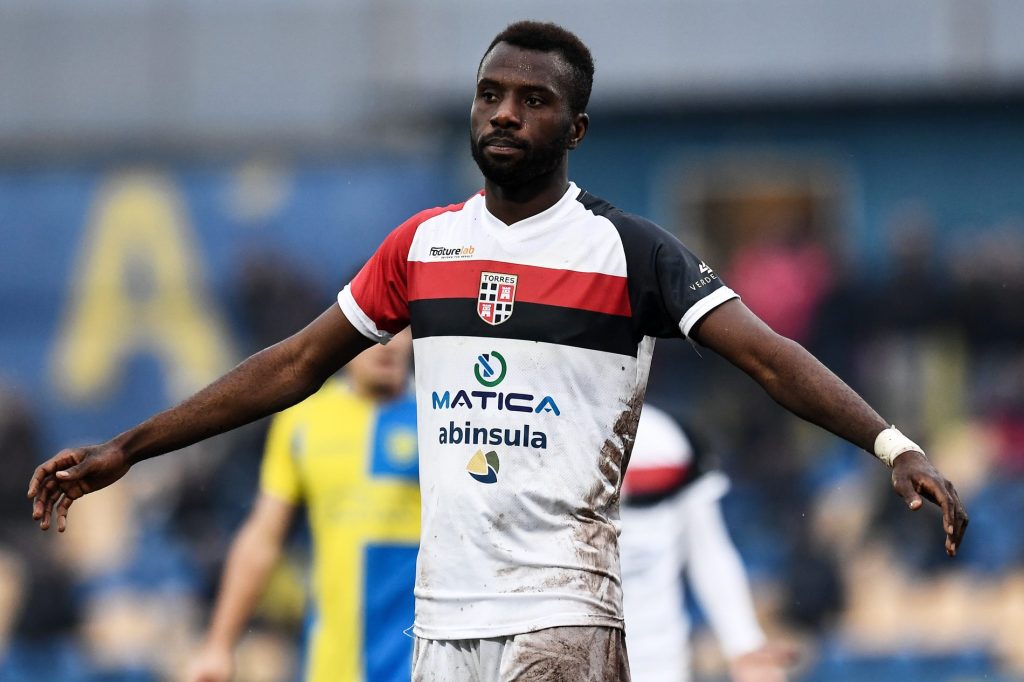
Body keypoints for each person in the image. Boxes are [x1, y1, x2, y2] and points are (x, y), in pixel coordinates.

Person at [29, 20, 968, 682]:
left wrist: (892, 444)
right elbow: (293, 365)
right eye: (490, 95)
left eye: (532, 100)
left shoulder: (630, 252)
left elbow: (768, 356)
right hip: (443, 620)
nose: (504, 113)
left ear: (577, 129)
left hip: (564, 609)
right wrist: (129, 448)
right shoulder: (421, 247)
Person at [186, 330, 418, 682]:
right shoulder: (303, 420)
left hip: (422, 662)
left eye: (400, 328)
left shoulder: (443, 420)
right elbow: (263, 538)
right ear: (348, 331)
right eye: (376, 327)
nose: (388, 342)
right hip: (332, 665)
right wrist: (219, 645)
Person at [619, 403, 793, 682]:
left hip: (657, 663)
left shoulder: (670, 440)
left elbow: (708, 550)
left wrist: (744, 644)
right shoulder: (542, 438)